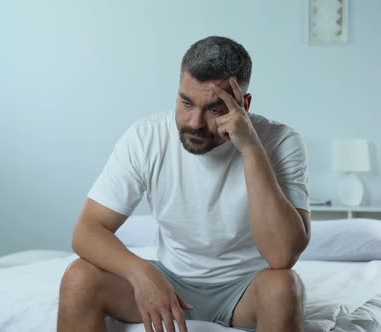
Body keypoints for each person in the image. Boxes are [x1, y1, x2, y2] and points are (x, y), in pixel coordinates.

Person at [57, 36, 311, 332]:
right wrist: (141, 274)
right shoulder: (147, 136)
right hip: (169, 280)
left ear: (244, 104)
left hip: (245, 289)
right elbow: (87, 231)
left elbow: (282, 256)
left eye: (215, 109)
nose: (195, 122)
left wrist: (251, 148)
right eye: (186, 102)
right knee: (79, 278)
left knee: (284, 288)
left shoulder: (281, 142)